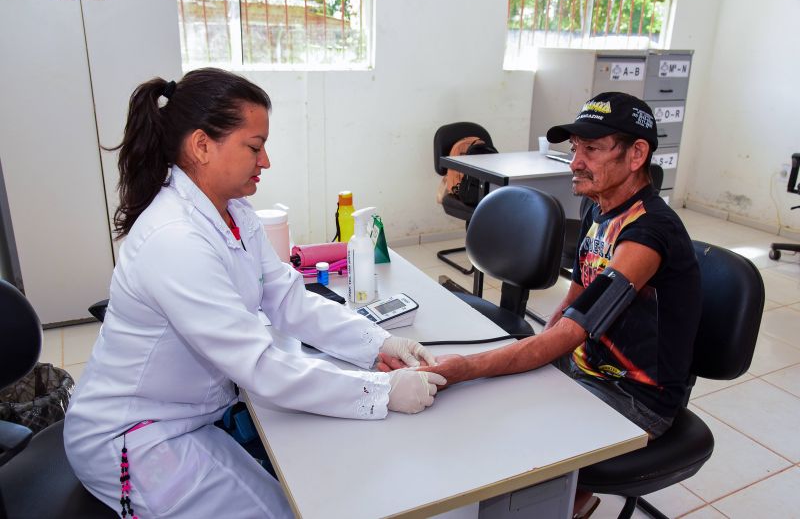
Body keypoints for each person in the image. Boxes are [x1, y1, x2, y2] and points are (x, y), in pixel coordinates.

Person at [64, 68, 446, 518]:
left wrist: (378, 342)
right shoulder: (174, 240)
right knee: (284, 512)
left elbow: (288, 298)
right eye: (254, 146)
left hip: (193, 414)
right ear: (202, 145)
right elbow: (260, 366)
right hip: (138, 436)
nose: (265, 162)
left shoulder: (234, 211)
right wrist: (381, 392)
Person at [381, 92, 702, 514]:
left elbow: (572, 331)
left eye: (591, 149)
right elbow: (573, 302)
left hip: (635, 399)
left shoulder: (648, 232)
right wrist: (529, 356)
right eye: (574, 149)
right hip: (587, 368)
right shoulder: (601, 205)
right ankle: (571, 496)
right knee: (486, 399)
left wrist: (468, 368)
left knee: (504, 427)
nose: (575, 163)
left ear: (637, 153)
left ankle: (567, 497)